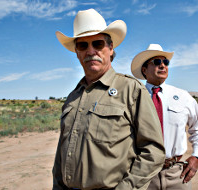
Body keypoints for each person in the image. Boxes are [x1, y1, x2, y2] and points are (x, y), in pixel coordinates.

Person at [52, 9, 165, 190]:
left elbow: (153, 151)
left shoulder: (131, 90)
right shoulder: (73, 98)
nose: (91, 51)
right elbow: (62, 154)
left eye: (97, 44)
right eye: (83, 45)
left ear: (111, 48)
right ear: (76, 52)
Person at [131, 44, 198, 190]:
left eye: (166, 62)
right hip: (142, 174)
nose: (163, 66)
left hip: (177, 175)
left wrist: (197, 156)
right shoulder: (133, 97)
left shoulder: (183, 96)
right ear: (144, 70)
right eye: (157, 62)